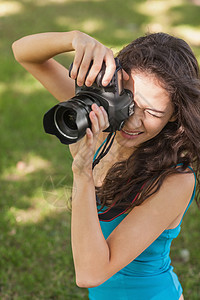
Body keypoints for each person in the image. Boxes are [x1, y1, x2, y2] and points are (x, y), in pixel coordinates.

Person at [12, 30, 200, 300]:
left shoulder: (176, 179)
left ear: (174, 115)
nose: (133, 121)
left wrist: (83, 174)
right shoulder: (102, 122)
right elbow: (23, 53)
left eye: (153, 113)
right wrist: (74, 39)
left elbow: (91, 273)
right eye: (128, 103)